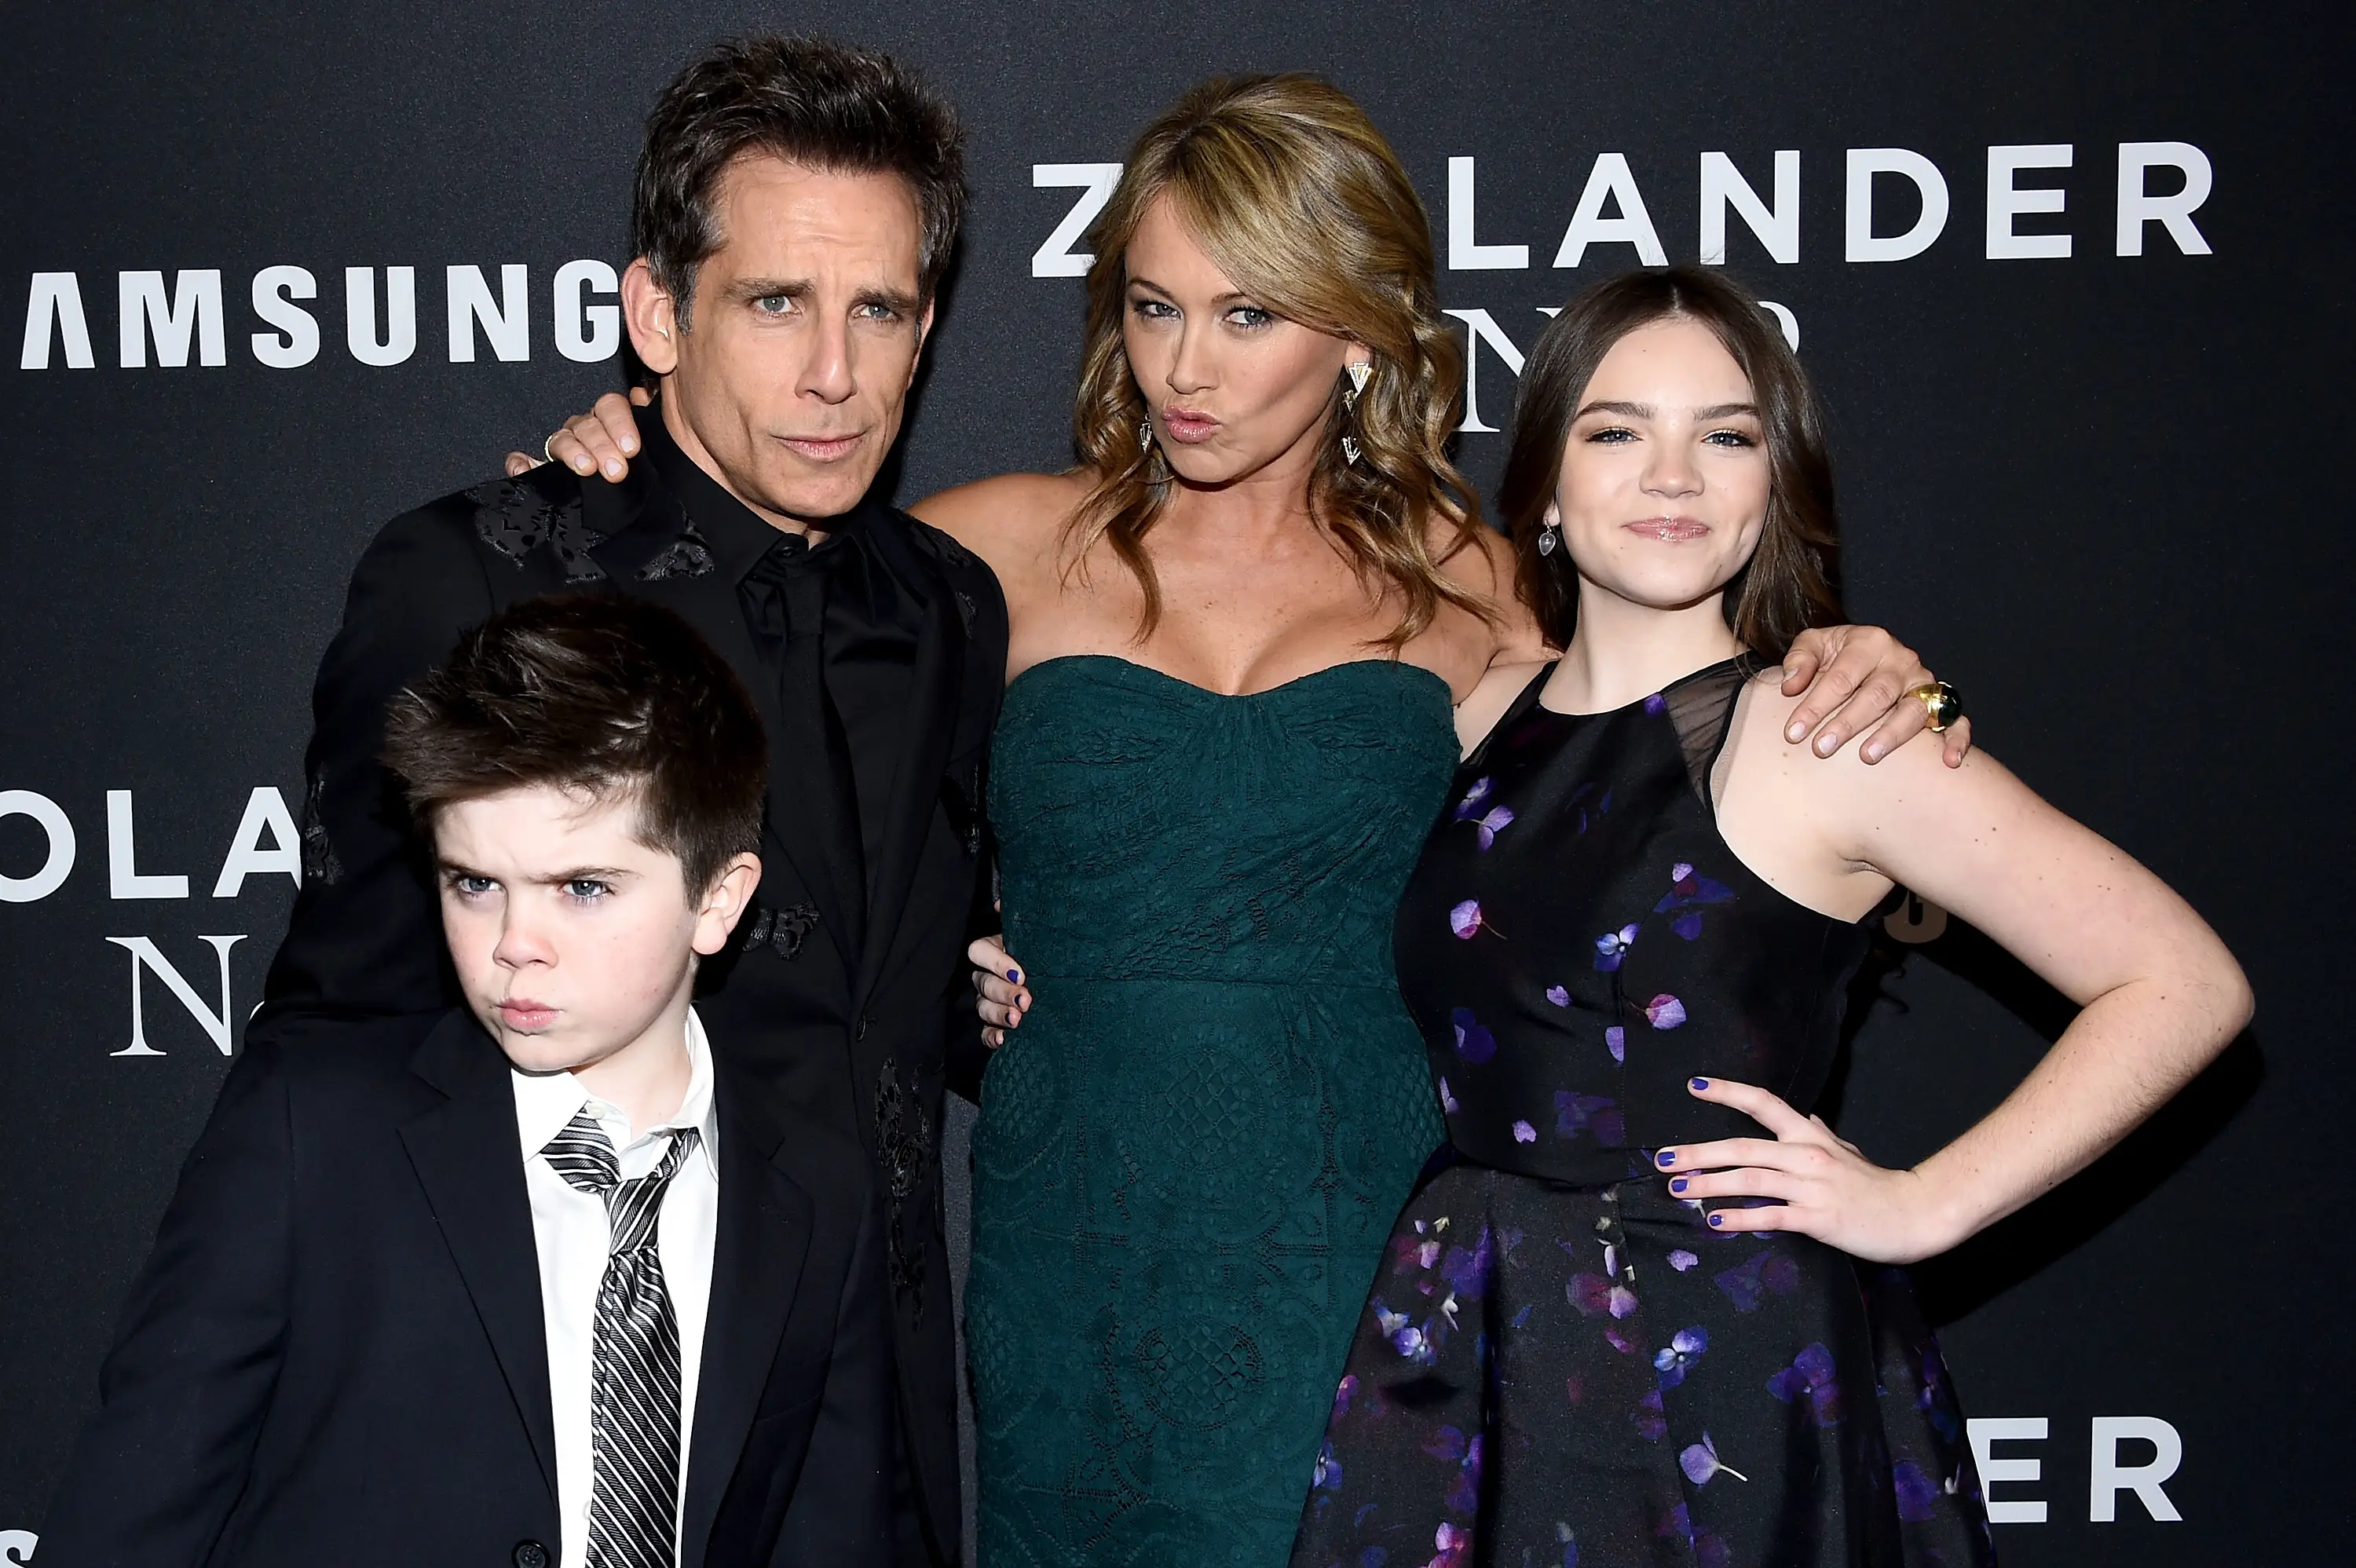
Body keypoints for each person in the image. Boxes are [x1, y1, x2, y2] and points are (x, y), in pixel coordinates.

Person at [543, 73, 1959, 1568]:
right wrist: (605, 461)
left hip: (1368, 1251)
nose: (1184, 371)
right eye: (1154, 308)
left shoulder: (1473, 580)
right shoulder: (998, 546)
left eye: (1248, 316)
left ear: (1356, 336)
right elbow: (722, 602)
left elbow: (1686, 759)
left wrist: (1867, 676)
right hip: (1071, 1248)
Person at [1273, 267, 2252, 1568]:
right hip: (1467, 1331)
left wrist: (1922, 1203)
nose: (1672, 476)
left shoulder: (1830, 733)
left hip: (1722, 1356)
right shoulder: (1470, 712)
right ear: (1548, 488)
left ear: (1770, 486)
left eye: (1725, 435)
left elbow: (2182, 982)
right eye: (1619, 430)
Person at [254, 36, 1001, 1565]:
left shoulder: (948, 607)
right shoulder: (483, 572)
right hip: (586, 1407)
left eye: (879, 310)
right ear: (657, 310)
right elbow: (346, 1032)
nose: (833, 375)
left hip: (885, 1433)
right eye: (776, 302)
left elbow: (902, 978)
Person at [39, 594, 893, 1568]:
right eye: (474, 882)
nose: (513, 946)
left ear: (719, 898)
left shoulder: (821, 1190)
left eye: (582, 887)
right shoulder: (310, 1130)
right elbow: (126, 1523)